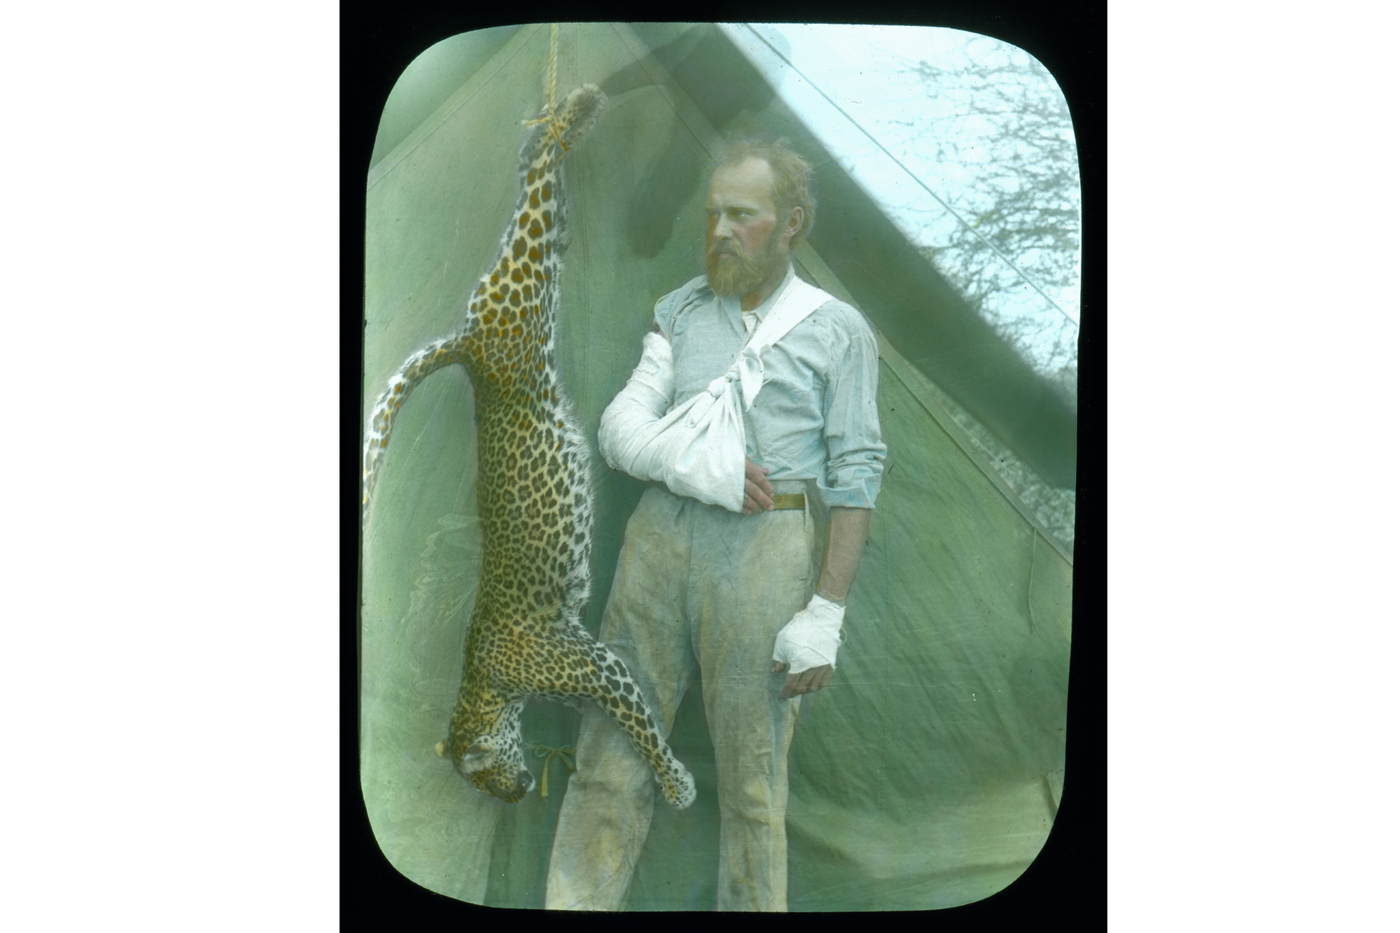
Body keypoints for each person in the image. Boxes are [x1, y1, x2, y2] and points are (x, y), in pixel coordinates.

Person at [545, 139, 886, 912]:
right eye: (713, 214)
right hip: (659, 540)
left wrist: (826, 610)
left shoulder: (837, 330)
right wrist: (704, 470)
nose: (721, 231)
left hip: (769, 549)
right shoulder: (682, 308)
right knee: (609, 757)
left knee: (754, 781)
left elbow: (858, 474)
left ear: (791, 222)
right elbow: (623, 430)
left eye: (743, 215)